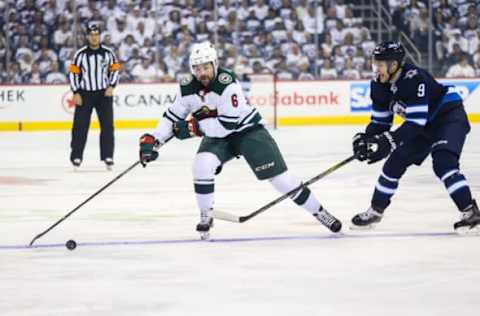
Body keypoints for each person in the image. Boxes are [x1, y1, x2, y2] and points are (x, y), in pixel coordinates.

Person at [139, 42, 342, 239]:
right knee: (201, 165)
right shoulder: (186, 88)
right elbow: (172, 117)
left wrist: (193, 128)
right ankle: (206, 215)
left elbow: (226, 125)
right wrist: (153, 140)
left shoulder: (228, 85)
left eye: (206, 67)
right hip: (218, 136)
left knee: (281, 180)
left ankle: (319, 212)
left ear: (215, 64)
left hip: (247, 131)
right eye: (197, 68)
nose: (202, 73)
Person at [351, 41, 479, 233]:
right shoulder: (378, 85)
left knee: (444, 163)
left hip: (447, 117)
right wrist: (366, 139)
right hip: (422, 125)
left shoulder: (414, 78)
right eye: (375, 63)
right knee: (394, 162)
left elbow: (416, 123)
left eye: (381, 64)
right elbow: (381, 123)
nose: (376, 69)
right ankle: (375, 211)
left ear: (394, 65)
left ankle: (471, 212)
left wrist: (388, 140)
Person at [68, 22, 120, 170]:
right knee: (80, 126)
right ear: (87, 37)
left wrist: (111, 86)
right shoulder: (80, 54)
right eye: (92, 35)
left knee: (107, 126)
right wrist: (76, 92)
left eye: (97, 35)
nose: (94, 38)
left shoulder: (108, 53)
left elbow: (115, 69)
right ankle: (76, 156)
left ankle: (108, 156)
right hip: (85, 94)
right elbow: (73, 73)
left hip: (104, 93)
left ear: (100, 36)